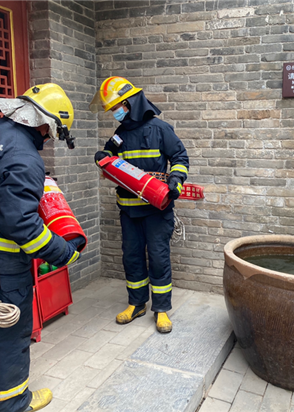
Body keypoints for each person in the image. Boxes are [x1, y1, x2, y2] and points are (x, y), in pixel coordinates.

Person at [0, 83, 85, 412]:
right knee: (6, 327)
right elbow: (21, 225)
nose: (48, 139)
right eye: (51, 132)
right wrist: (63, 252)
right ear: (45, 124)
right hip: (0, 260)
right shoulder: (24, 157)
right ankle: (12, 402)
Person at [90, 76, 189, 334]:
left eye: (116, 107)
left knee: (158, 258)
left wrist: (176, 181)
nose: (115, 112)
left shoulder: (161, 129)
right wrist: (102, 156)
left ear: (130, 103)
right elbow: (109, 154)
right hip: (128, 210)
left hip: (157, 210)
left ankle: (162, 309)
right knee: (132, 258)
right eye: (112, 109)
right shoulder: (120, 135)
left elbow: (180, 157)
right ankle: (137, 304)